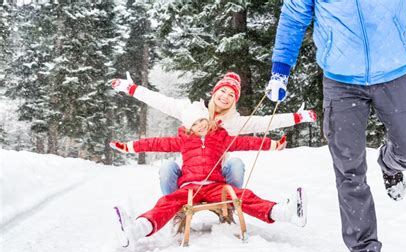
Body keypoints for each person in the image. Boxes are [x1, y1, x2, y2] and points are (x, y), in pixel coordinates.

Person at [266, 0, 406, 252]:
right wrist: (280, 70)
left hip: (394, 73)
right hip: (341, 82)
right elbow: (293, 17)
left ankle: (389, 164)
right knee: (349, 169)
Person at [110, 105, 308, 249]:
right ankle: (136, 230)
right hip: (189, 187)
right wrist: (129, 146)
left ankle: (287, 214)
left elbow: (245, 142)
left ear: (207, 118)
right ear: (189, 127)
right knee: (167, 202)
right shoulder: (183, 140)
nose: (200, 125)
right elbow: (155, 143)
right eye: (195, 123)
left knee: (243, 196)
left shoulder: (221, 138)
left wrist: (273, 144)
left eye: (202, 120)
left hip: (216, 186)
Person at [111, 71, 316, 195]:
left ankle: (230, 204)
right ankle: (175, 208)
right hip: (189, 172)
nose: (226, 97)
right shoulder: (190, 110)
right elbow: (160, 100)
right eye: (223, 91)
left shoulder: (233, 123)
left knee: (235, 163)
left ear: (234, 101)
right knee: (166, 167)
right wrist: (131, 89)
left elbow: (265, 122)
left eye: (231, 95)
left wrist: (298, 117)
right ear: (215, 92)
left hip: (218, 174)